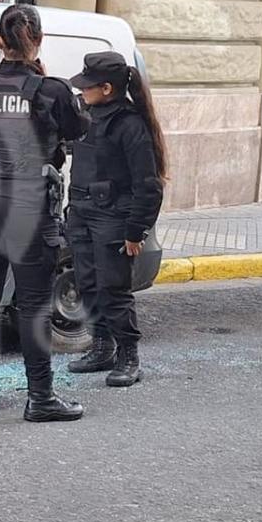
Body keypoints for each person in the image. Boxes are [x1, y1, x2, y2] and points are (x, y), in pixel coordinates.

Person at [0, 4, 88, 421]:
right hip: (29, 210)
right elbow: (77, 128)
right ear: (39, 41)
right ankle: (41, 398)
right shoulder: (52, 90)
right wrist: (43, 78)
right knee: (32, 306)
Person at [65, 53, 167, 387]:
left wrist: (135, 230)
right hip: (81, 211)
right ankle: (101, 346)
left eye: (88, 85)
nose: (82, 91)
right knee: (87, 285)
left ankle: (128, 355)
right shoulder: (87, 114)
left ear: (106, 88)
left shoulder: (129, 124)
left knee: (114, 290)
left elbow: (148, 184)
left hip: (112, 216)